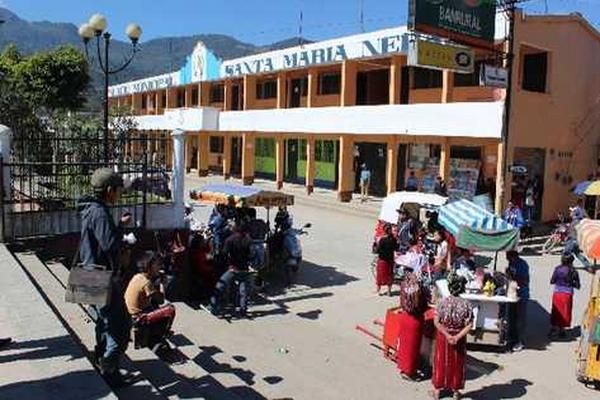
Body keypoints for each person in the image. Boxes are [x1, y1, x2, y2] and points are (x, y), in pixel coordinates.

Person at [78, 168, 132, 386]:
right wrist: (121, 233)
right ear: (109, 190)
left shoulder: (91, 209)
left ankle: (101, 360)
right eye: (117, 190)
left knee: (104, 321)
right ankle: (109, 371)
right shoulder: (99, 212)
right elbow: (110, 245)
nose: (118, 194)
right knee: (120, 326)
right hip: (99, 276)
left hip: (89, 273)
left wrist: (117, 227)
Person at [431, 273, 473, 400]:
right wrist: (457, 336)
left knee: (440, 362)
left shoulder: (442, 303)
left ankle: (437, 390)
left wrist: (448, 335)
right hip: (458, 339)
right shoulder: (466, 304)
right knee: (457, 363)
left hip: (443, 337)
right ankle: (455, 391)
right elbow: (469, 325)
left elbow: (436, 322)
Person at [125, 253, 176, 351]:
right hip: (139, 317)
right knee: (170, 309)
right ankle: (163, 333)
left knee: (153, 303)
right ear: (149, 266)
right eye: (158, 265)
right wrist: (162, 285)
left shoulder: (137, 276)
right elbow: (161, 300)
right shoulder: (146, 283)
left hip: (129, 313)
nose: (160, 267)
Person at [209, 222, 253, 316]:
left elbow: (224, 254)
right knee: (243, 290)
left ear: (234, 230)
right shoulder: (248, 240)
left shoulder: (230, 240)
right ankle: (243, 309)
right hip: (244, 269)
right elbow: (251, 255)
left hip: (232, 268)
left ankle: (214, 307)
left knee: (219, 286)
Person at [397, 272, 425, 380]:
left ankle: (403, 367)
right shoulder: (418, 291)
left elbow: (401, 302)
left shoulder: (404, 286)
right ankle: (409, 372)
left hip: (405, 318)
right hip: (415, 321)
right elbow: (422, 306)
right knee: (412, 348)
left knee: (404, 346)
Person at [549, 254, 581, 338]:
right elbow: (578, 286)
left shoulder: (557, 269)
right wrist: (571, 283)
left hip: (557, 292)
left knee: (556, 311)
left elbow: (552, 281)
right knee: (565, 311)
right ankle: (561, 330)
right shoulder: (574, 271)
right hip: (567, 294)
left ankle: (553, 328)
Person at [506, 250, 530, 352]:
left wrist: (513, 279)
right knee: (511, 317)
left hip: (521, 294)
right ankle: (512, 338)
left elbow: (524, 280)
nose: (507, 259)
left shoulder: (523, 265)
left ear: (513, 256)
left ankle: (520, 341)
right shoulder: (511, 263)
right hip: (512, 295)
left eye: (508, 256)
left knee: (520, 319)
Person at [375, 224, 397, 296]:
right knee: (389, 275)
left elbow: (378, 250)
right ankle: (389, 291)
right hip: (390, 260)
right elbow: (396, 248)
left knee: (380, 276)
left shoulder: (382, 239)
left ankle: (378, 291)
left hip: (382, 260)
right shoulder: (393, 239)